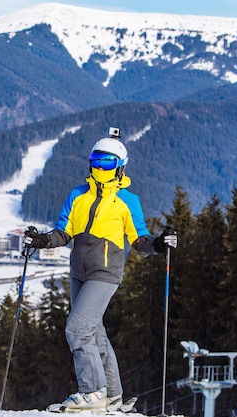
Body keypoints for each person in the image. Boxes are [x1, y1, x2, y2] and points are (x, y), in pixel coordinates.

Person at [24, 130, 177, 413]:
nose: (99, 168)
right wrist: (41, 240)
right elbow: (63, 232)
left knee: (78, 329)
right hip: (78, 272)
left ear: (120, 167)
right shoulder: (78, 195)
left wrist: (158, 244)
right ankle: (114, 396)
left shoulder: (127, 201)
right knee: (94, 333)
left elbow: (139, 240)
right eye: (95, 161)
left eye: (107, 163)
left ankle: (93, 392)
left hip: (106, 273)